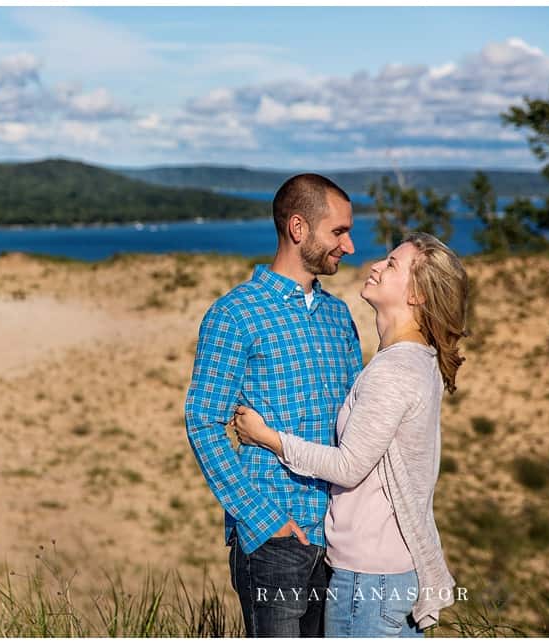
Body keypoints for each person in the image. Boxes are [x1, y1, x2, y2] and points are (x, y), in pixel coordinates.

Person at [231, 232, 468, 637]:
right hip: (385, 575)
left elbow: (347, 466)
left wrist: (267, 437)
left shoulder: (393, 371)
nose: (376, 265)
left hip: (369, 580)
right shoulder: (417, 359)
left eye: (392, 264)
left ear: (418, 296)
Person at [184, 173, 363, 637]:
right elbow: (203, 423)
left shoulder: (339, 317)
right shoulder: (234, 314)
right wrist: (266, 522)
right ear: (298, 229)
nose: (350, 246)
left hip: (341, 540)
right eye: (339, 232)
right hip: (274, 542)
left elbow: (353, 426)